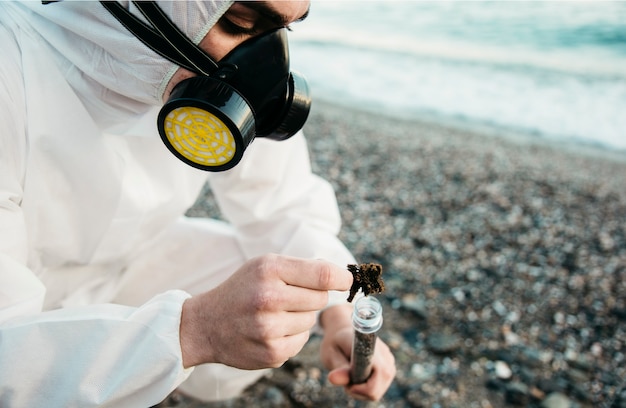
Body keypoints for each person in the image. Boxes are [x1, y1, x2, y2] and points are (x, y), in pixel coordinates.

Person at [0, 1, 396, 407]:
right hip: (20, 316)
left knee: (281, 282)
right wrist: (195, 331)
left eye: (281, 31)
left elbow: (289, 206)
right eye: (238, 21)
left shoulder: (218, 81)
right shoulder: (10, 72)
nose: (263, 58)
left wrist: (349, 308)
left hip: (126, 264)